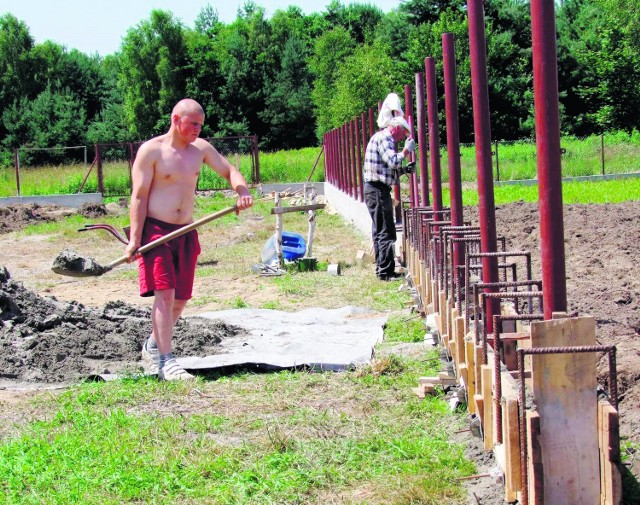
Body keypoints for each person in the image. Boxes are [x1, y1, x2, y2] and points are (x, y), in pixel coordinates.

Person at [125, 98, 254, 381]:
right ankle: (165, 361)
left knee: (180, 299)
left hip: (185, 231)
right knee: (165, 292)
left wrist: (241, 190)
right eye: (193, 123)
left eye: (200, 125)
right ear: (176, 119)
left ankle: (153, 345)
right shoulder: (152, 151)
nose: (198, 129)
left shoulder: (200, 150)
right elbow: (139, 196)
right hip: (156, 232)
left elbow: (229, 170)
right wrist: (135, 239)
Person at [363, 115, 415, 281]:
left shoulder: (380, 138)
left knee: (379, 230)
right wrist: (406, 151)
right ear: (396, 128)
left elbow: (385, 170)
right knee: (386, 230)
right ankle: (386, 272)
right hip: (377, 190)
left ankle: (382, 269)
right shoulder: (384, 139)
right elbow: (393, 161)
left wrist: (404, 170)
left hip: (374, 188)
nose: (401, 139)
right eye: (402, 134)